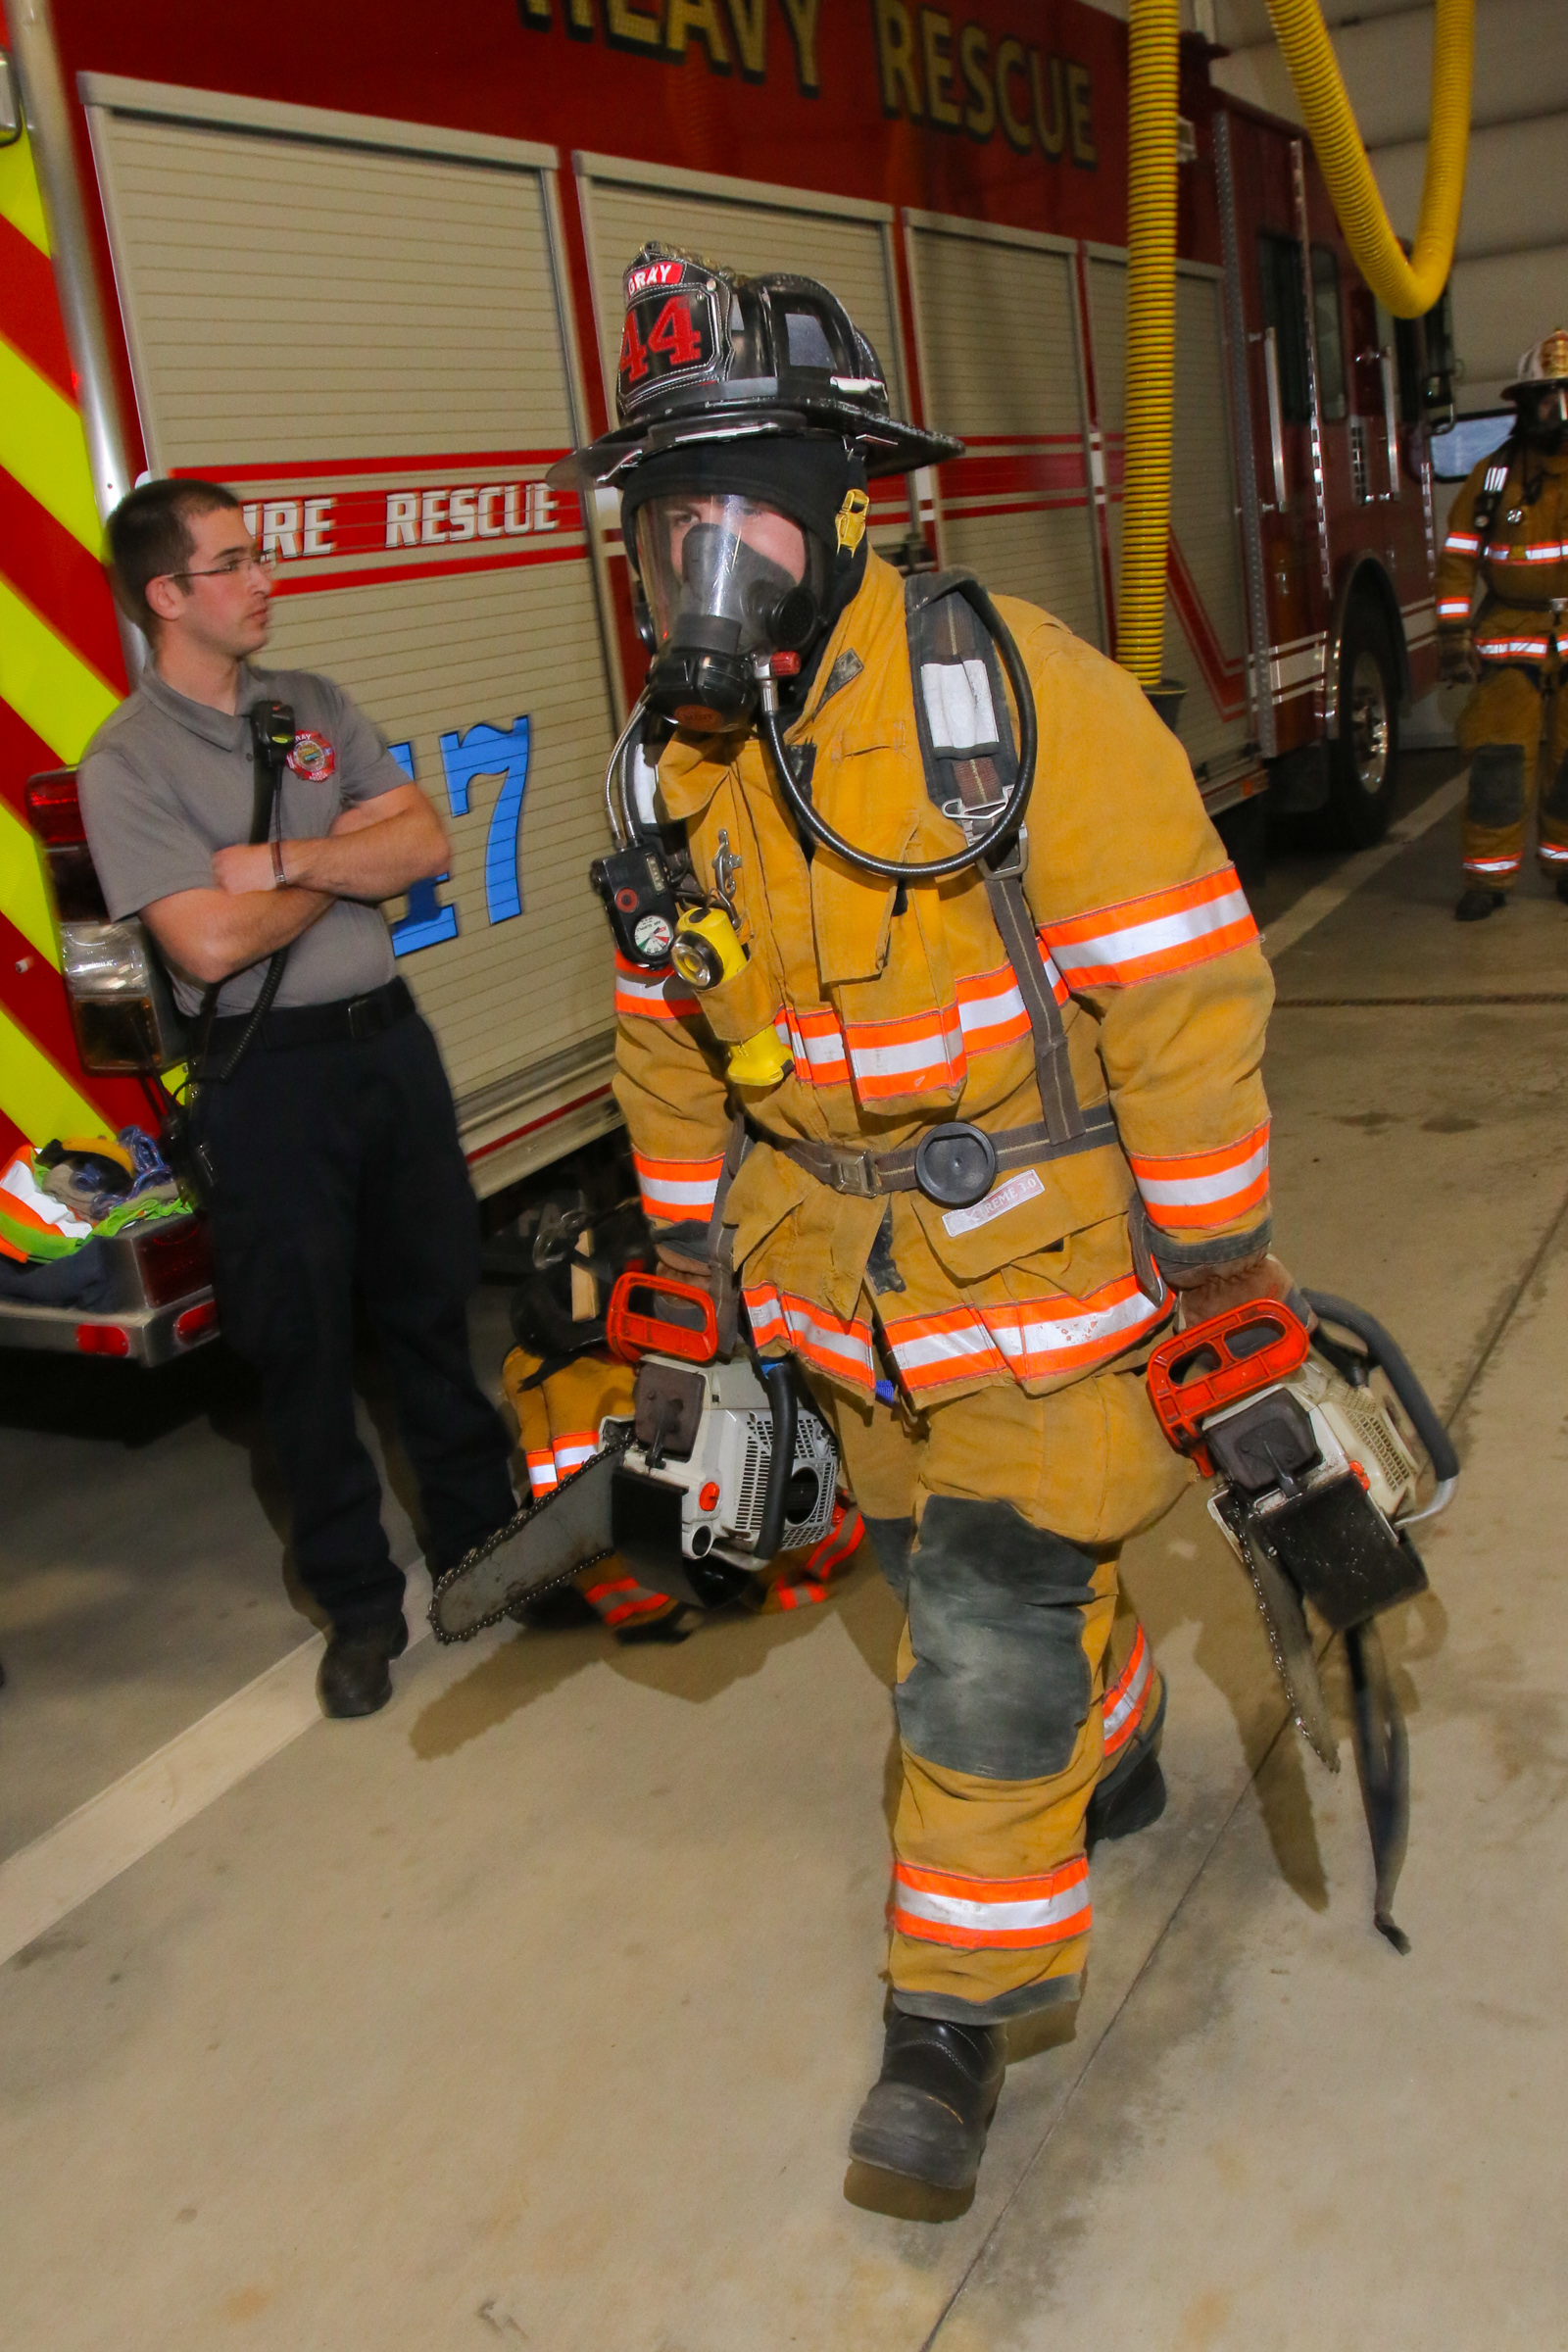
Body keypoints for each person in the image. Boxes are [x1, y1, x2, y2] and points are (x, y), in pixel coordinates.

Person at [551, 248, 1295, 2198]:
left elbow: (1183, 995)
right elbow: (667, 1038)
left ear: (838, 505)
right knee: (938, 1584)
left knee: (976, 1633)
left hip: (1045, 1285)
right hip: (839, 1308)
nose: (701, 563)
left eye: (740, 515)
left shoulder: (1016, 707)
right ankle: (1113, 1736)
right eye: (667, 524)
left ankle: (947, 2031)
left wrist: (1220, 1272)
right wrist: (685, 1272)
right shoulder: (674, 771)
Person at [78, 479, 515, 1718]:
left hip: (391, 1052)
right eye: (232, 562)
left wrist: (284, 862)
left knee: (432, 1317)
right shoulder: (127, 763)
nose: (263, 577)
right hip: (264, 1084)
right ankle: (361, 1613)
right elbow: (207, 946)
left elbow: (425, 846)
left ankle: (487, 1548)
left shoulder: (312, 705)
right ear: (167, 596)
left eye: (258, 554)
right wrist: (348, 865)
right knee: (304, 1357)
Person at [1436, 328, 1568, 919]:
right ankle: (1487, 879)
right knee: (1499, 761)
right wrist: (1453, 635)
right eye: (1549, 398)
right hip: (1510, 634)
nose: (1559, 412)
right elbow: (1458, 557)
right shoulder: (1494, 478)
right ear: (1525, 403)